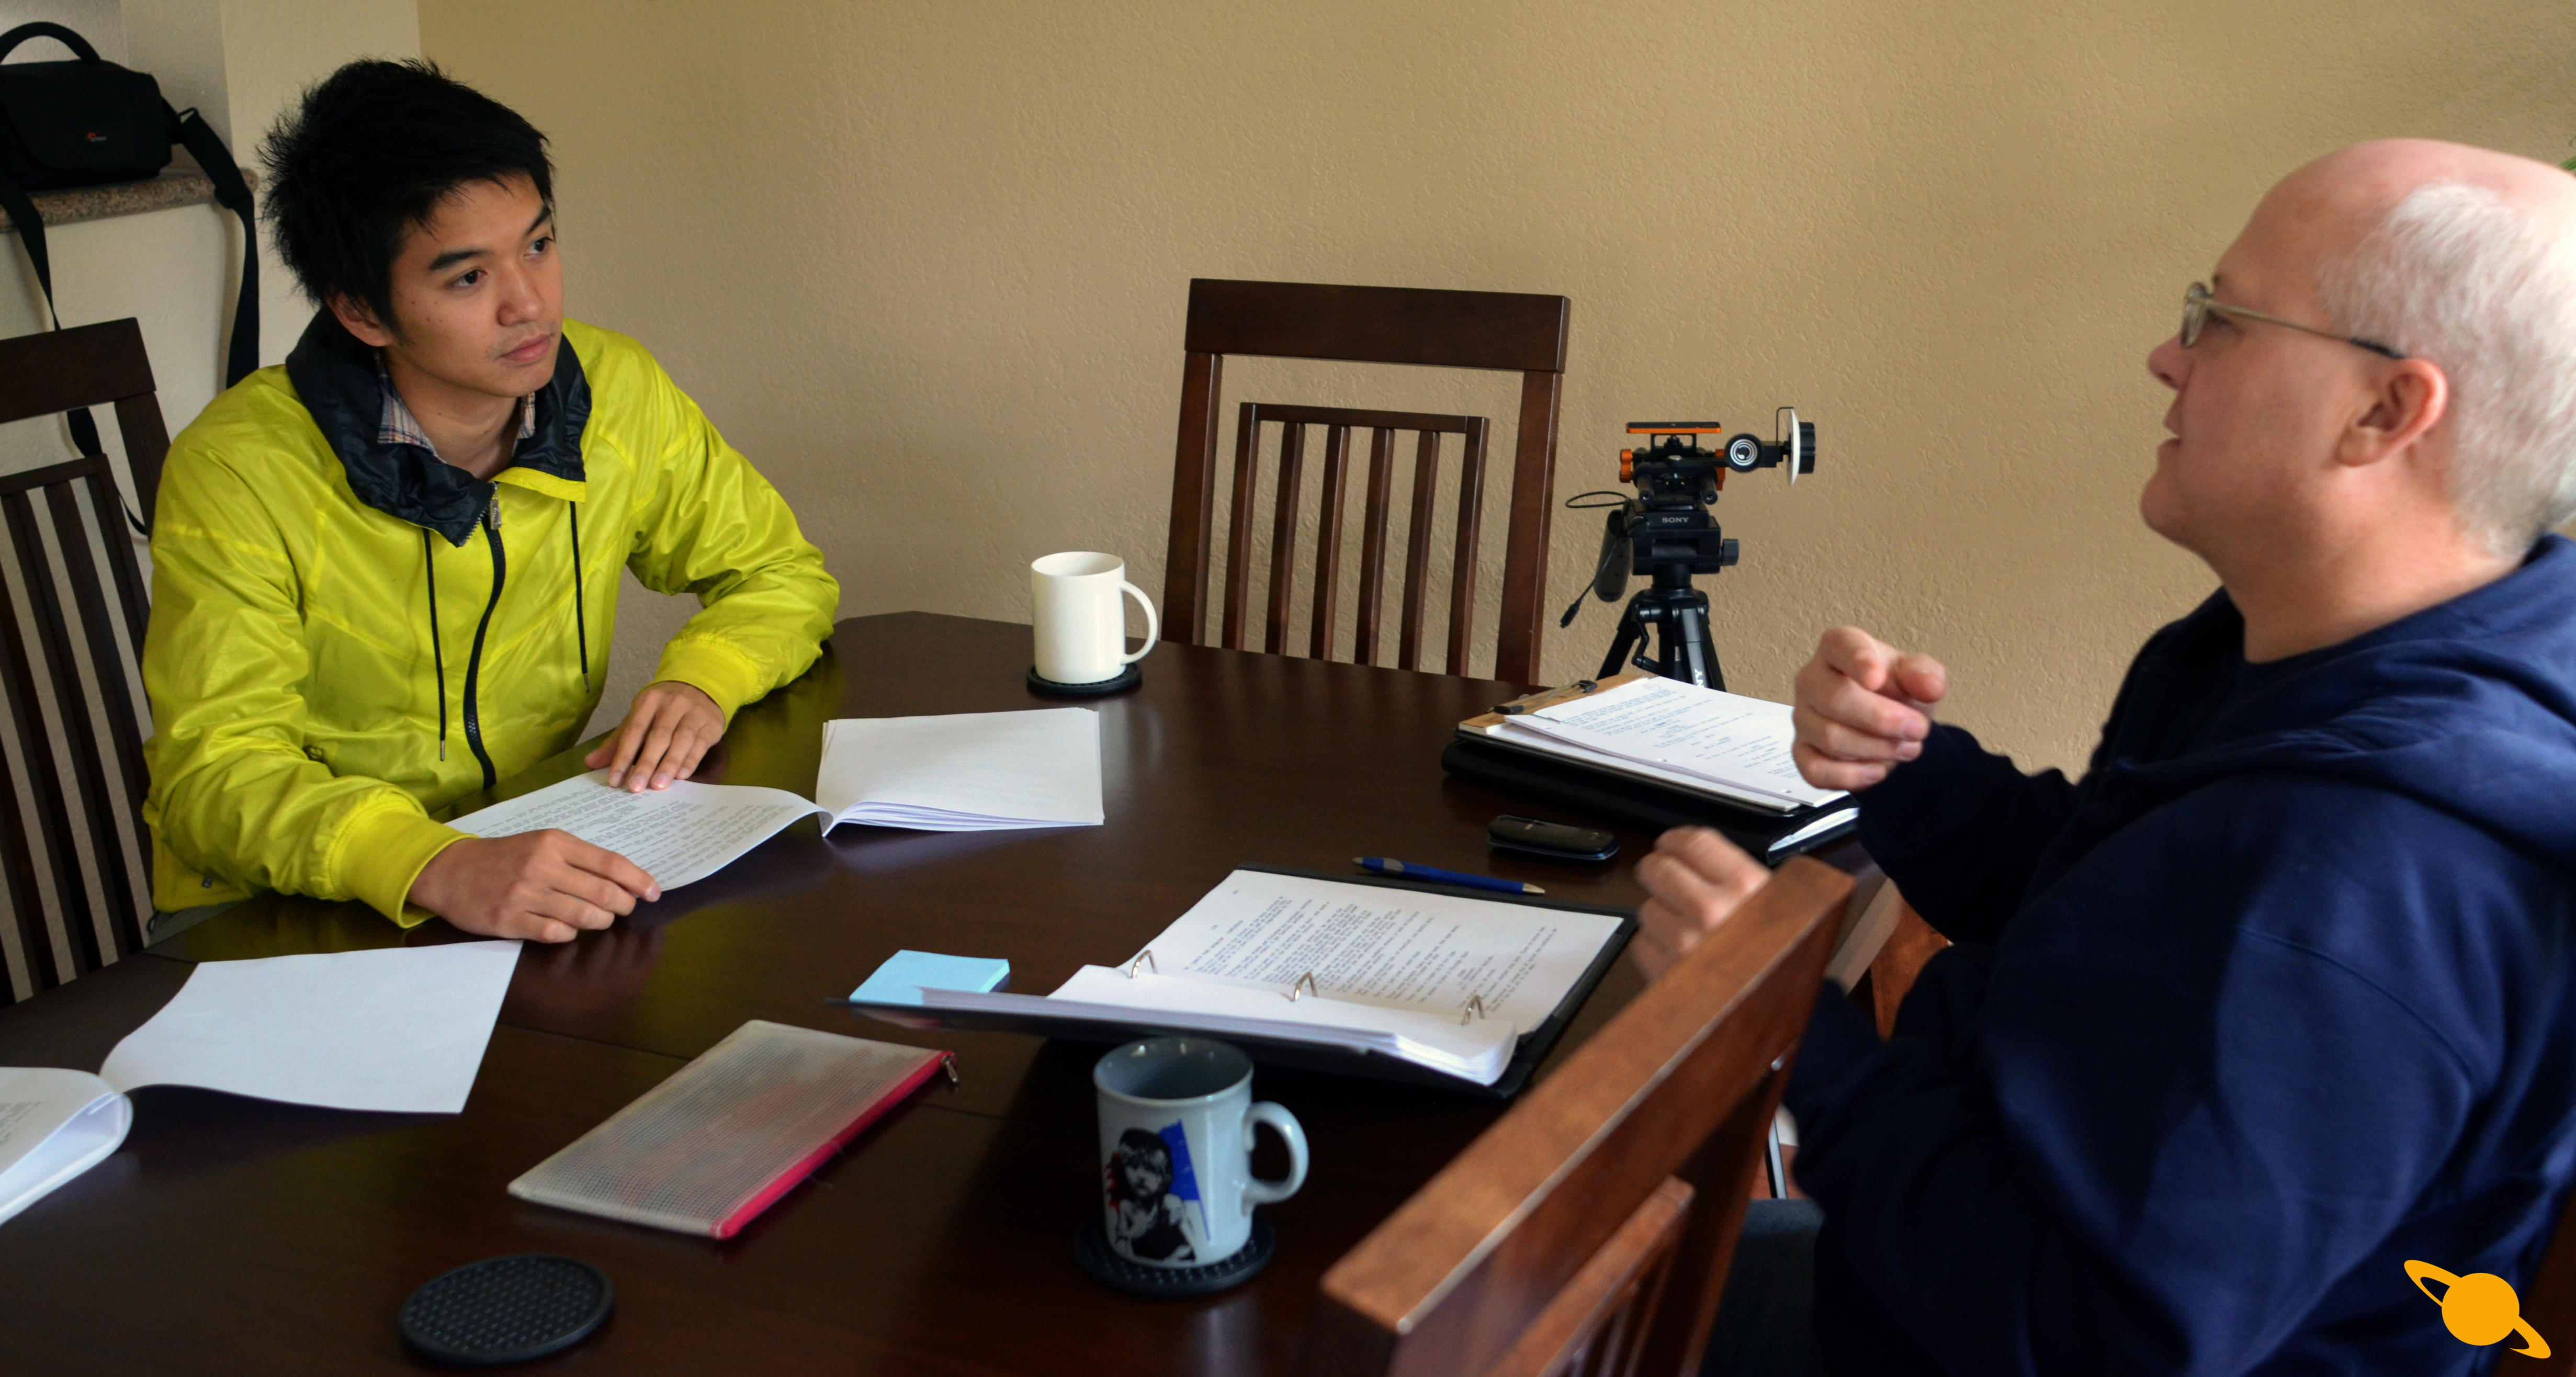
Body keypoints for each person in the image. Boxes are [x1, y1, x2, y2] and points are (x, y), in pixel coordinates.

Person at [1649, 139, 2576, 1375]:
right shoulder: (2324, 650)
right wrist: (1911, 768)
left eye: (2222, 319)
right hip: (1914, 1272)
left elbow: (2091, 1337)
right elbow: (2115, 912)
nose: (2167, 354)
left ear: (2385, 410)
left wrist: (1787, 1034)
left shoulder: (2360, 880)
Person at [142, 60, 839, 944]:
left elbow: (779, 574)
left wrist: (707, 678)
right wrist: (429, 862)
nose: (530, 304)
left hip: (530, 848)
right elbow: (217, 771)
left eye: (538, 246)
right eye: (468, 278)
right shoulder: (240, 467)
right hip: (281, 906)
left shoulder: (613, 388)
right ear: (361, 310)